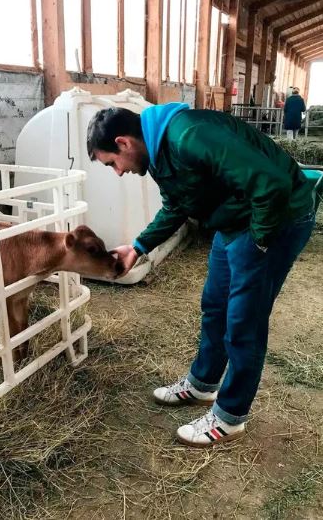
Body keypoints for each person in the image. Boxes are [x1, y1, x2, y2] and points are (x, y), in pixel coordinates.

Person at [87, 104, 315, 447]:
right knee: (214, 305)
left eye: (111, 163)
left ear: (123, 143)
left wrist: (259, 243)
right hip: (235, 222)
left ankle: (230, 416)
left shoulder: (189, 134)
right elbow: (177, 205)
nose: (117, 172)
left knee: (244, 320)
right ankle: (203, 384)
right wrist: (138, 247)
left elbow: (272, 183)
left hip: (274, 220)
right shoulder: (158, 152)